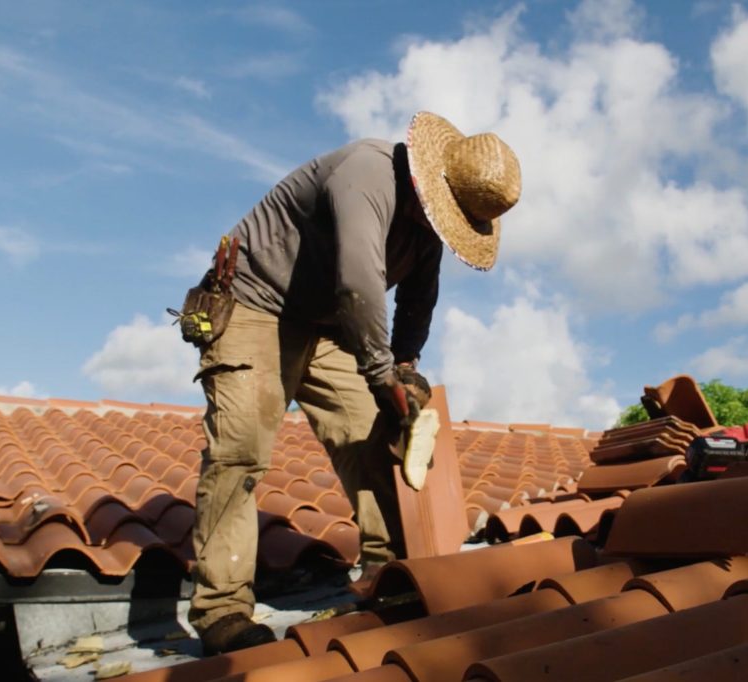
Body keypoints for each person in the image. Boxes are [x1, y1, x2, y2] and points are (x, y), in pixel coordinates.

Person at [188, 111, 522, 655]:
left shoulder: (427, 230)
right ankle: (222, 610)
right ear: (430, 182)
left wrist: (406, 372)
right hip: (256, 303)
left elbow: (418, 302)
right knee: (241, 448)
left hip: (326, 327)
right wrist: (383, 373)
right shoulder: (367, 175)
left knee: (374, 435)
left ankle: (390, 577)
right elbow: (358, 284)